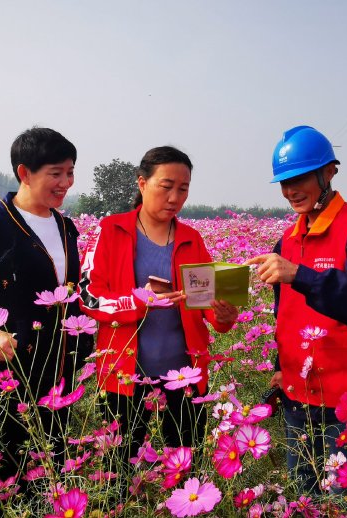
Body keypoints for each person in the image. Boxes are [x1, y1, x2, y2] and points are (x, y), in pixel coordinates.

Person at [245, 126, 347, 494]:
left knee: (343, 496)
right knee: (303, 492)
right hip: (298, 391)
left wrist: (300, 275)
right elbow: (286, 313)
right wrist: (280, 367)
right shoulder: (288, 238)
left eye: (299, 179)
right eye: (284, 182)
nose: (290, 191)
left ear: (329, 172)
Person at [0, 127, 90, 485]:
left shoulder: (65, 226)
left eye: (70, 172)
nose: (66, 183)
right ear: (25, 173)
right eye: (56, 173)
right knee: (11, 466)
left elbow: (69, 290)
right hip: (10, 367)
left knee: (53, 461)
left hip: (59, 364)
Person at [78, 146, 238, 480]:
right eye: (166, 186)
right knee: (118, 470)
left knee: (185, 468)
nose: (175, 198)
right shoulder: (110, 230)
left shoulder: (192, 239)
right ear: (142, 182)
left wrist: (223, 316)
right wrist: (140, 301)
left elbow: (205, 303)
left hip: (184, 376)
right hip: (124, 376)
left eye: (183, 189)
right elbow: (89, 297)